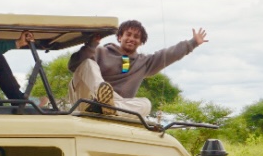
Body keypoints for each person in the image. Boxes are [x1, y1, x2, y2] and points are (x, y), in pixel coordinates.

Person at [67, 19, 208, 117]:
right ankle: (102, 101)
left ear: (141, 42)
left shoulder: (144, 63)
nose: (131, 39)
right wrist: (90, 46)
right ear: (120, 37)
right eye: (128, 34)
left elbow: (168, 54)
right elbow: (73, 67)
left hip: (118, 104)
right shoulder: (99, 51)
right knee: (88, 64)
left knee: (146, 104)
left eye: (136, 37)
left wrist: (193, 43)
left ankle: (108, 108)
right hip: (88, 98)